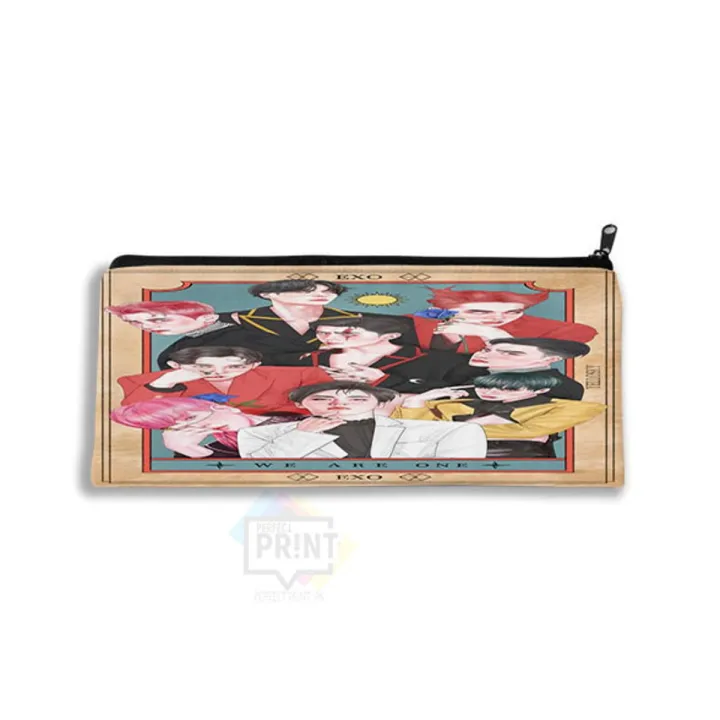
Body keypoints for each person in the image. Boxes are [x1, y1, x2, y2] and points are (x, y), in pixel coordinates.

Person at [235, 381, 488, 459]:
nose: (338, 403)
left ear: (378, 403)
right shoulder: (257, 435)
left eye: (356, 398)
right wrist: (299, 436)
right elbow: (259, 473)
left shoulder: (451, 433)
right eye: (321, 398)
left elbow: (459, 477)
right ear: (300, 404)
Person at [394, 372, 605, 458]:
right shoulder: (458, 405)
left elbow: (530, 432)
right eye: (485, 387)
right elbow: (414, 430)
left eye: (510, 389)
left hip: (517, 457)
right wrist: (418, 400)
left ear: (540, 390)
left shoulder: (562, 407)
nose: (491, 392)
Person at [214, 279, 420, 365]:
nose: (322, 295)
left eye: (328, 290)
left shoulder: (367, 320)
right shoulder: (228, 321)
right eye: (306, 290)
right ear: (268, 293)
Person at [117, 346, 331, 416]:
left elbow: (335, 401)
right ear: (176, 365)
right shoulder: (159, 380)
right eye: (205, 367)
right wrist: (164, 383)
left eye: (234, 366)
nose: (219, 373)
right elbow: (131, 415)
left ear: (254, 365)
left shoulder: (300, 374)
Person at [411, 288, 598, 354]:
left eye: (513, 312)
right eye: (479, 311)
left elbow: (585, 333)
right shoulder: (415, 322)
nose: (498, 318)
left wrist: (494, 334)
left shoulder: (533, 325)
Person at [442, 337, 591, 400]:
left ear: (550, 360)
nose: (485, 355)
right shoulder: (464, 371)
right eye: (487, 350)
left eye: (510, 353)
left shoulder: (562, 387)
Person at [110, 397, 261, 458]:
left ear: (221, 407)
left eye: (190, 418)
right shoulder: (218, 451)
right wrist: (191, 450)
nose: (198, 427)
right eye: (176, 428)